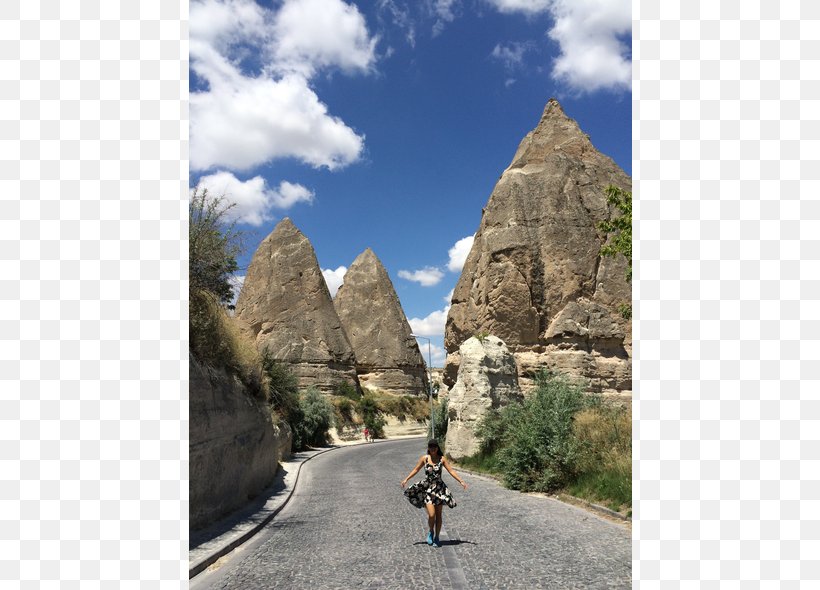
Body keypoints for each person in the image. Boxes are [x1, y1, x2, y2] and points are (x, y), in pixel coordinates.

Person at [400, 439, 468, 547]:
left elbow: (451, 471)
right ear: (428, 448)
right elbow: (416, 469)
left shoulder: (442, 459)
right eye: (431, 447)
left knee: (439, 515)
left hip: (439, 490)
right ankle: (431, 531)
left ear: (437, 448)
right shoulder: (425, 459)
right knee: (431, 515)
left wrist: (461, 481)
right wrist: (406, 479)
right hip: (428, 489)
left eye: (434, 447)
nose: (433, 449)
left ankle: (437, 537)